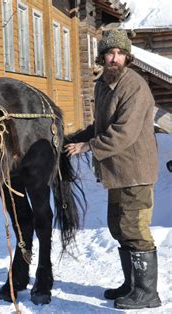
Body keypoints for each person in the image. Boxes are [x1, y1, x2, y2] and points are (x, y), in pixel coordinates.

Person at [65, 29, 161, 310]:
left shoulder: (135, 85)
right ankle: (131, 284)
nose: (115, 58)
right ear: (102, 56)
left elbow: (124, 132)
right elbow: (101, 127)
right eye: (110, 53)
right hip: (117, 171)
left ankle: (147, 293)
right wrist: (75, 138)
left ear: (127, 57)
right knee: (119, 227)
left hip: (136, 170)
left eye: (120, 53)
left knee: (134, 227)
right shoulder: (102, 85)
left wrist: (88, 147)